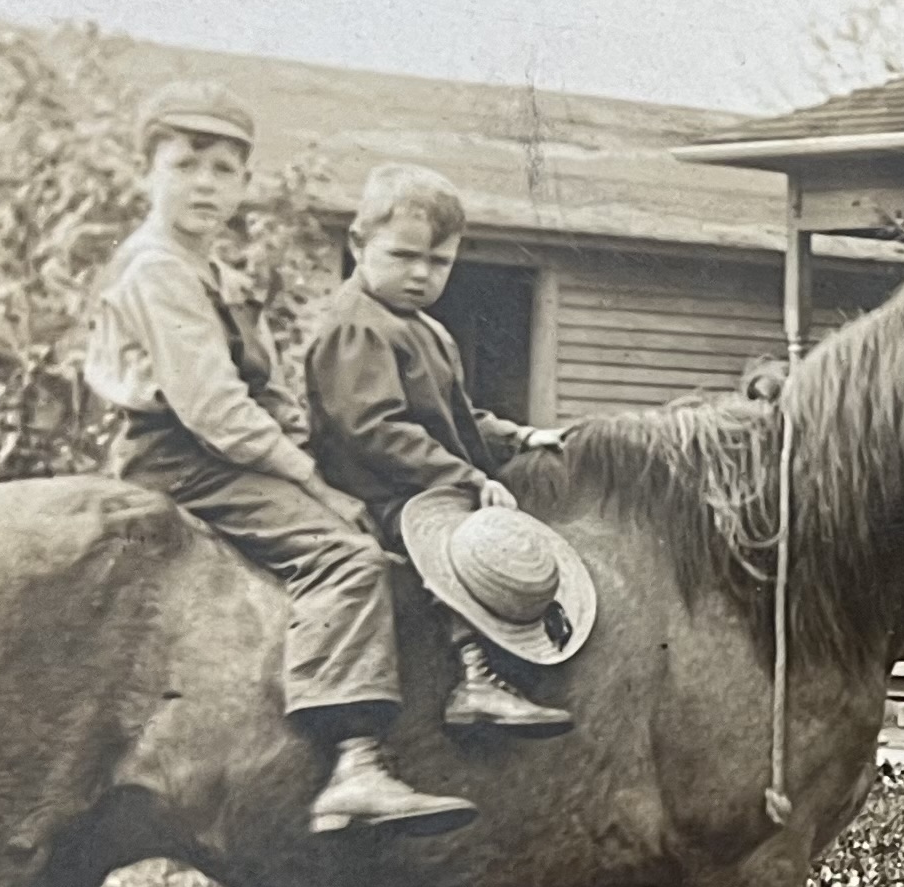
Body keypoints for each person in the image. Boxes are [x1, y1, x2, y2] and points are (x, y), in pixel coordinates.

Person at [84, 81, 474, 838]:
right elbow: (216, 409)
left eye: (225, 170)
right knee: (347, 555)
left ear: (244, 183)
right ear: (147, 173)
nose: (206, 184)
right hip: (182, 457)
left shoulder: (208, 269)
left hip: (216, 448)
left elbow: (264, 392)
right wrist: (315, 483)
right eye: (186, 164)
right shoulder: (159, 270)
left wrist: (306, 442)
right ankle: (353, 765)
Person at [303, 163, 575, 735]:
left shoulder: (427, 330)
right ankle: (475, 678)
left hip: (425, 481)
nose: (420, 274)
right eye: (404, 257)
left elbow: (458, 418)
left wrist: (520, 437)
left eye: (438, 262)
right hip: (378, 490)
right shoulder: (357, 325)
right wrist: (467, 479)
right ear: (358, 243)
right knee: (460, 543)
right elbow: (373, 428)